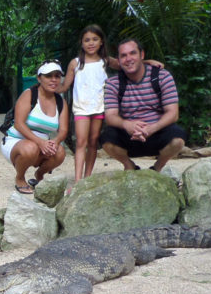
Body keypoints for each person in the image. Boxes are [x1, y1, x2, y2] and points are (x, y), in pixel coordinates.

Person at [58, 25, 164, 183]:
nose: (91, 43)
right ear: (81, 43)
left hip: (100, 108)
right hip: (81, 109)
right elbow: (65, 86)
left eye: (95, 39)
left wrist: (147, 62)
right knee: (81, 142)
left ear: (101, 42)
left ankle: (87, 178)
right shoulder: (75, 63)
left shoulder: (105, 60)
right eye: (87, 40)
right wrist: (46, 86)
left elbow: (127, 65)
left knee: (94, 141)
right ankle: (78, 180)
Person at [100, 38, 186, 172]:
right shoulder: (113, 83)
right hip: (130, 136)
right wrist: (128, 125)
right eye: (123, 55)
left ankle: (157, 167)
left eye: (132, 53)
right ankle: (129, 166)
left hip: (157, 133)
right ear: (118, 60)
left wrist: (152, 128)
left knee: (178, 138)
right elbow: (110, 116)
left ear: (142, 55)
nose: (128, 59)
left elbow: (173, 113)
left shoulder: (162, 76)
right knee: (106, 139)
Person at [1, 60, 68, 194]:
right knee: (31, 147)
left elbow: (64, 130)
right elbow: (19, 123)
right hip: (16, 142)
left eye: (57, 76)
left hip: (41, 145)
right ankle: (20, 178)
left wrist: (55, 141)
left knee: (60, 151)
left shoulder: (61, 101)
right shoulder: (29, 94)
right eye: (48, 76)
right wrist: (40, 142)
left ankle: (39, 175)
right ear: (39, 78)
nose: (53, 80)